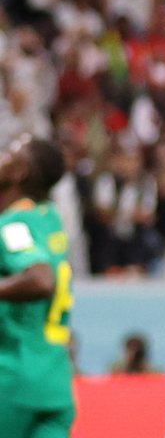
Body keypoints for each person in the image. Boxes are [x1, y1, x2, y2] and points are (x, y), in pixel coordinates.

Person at [0, 136, 76, 437]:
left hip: (16, 380)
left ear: (20, 172)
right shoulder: (50, 219)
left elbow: (41, 280)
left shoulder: (15, 225)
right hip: (55, 384)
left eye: (9, 152)